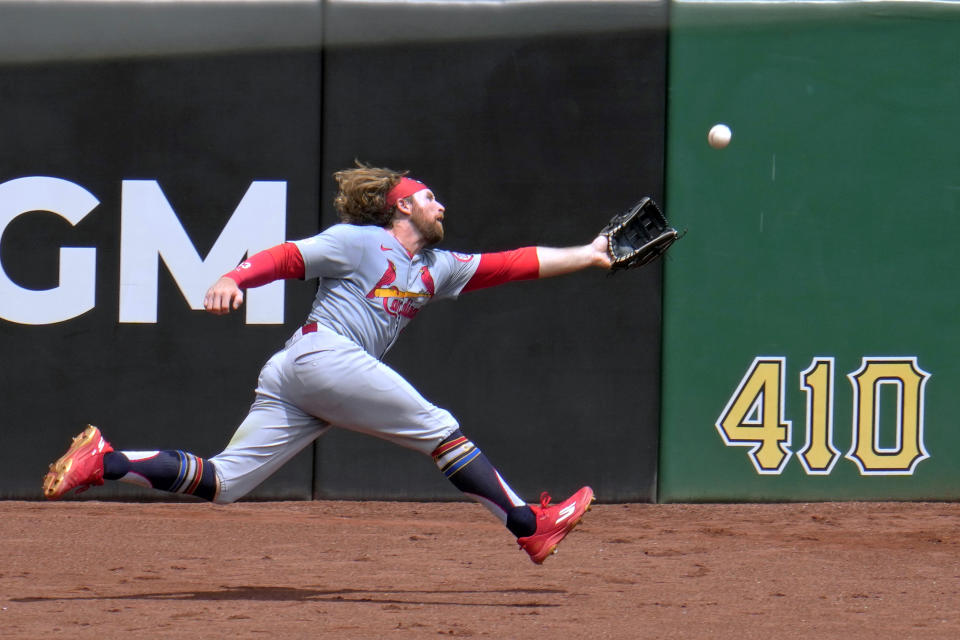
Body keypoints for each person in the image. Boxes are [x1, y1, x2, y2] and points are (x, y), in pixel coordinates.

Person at [42, 162, 612, 564]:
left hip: (301, 375)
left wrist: (588, 254)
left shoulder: (440, 266)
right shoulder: (360, 241)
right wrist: (233, 277)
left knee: (226, 482)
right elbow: (288, 257)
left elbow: (514, 262)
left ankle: (107, 462)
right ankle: (528, 527)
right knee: (439, 429)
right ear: (404, 205)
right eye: (431, 197)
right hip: (323, 353)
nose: (442, 205)